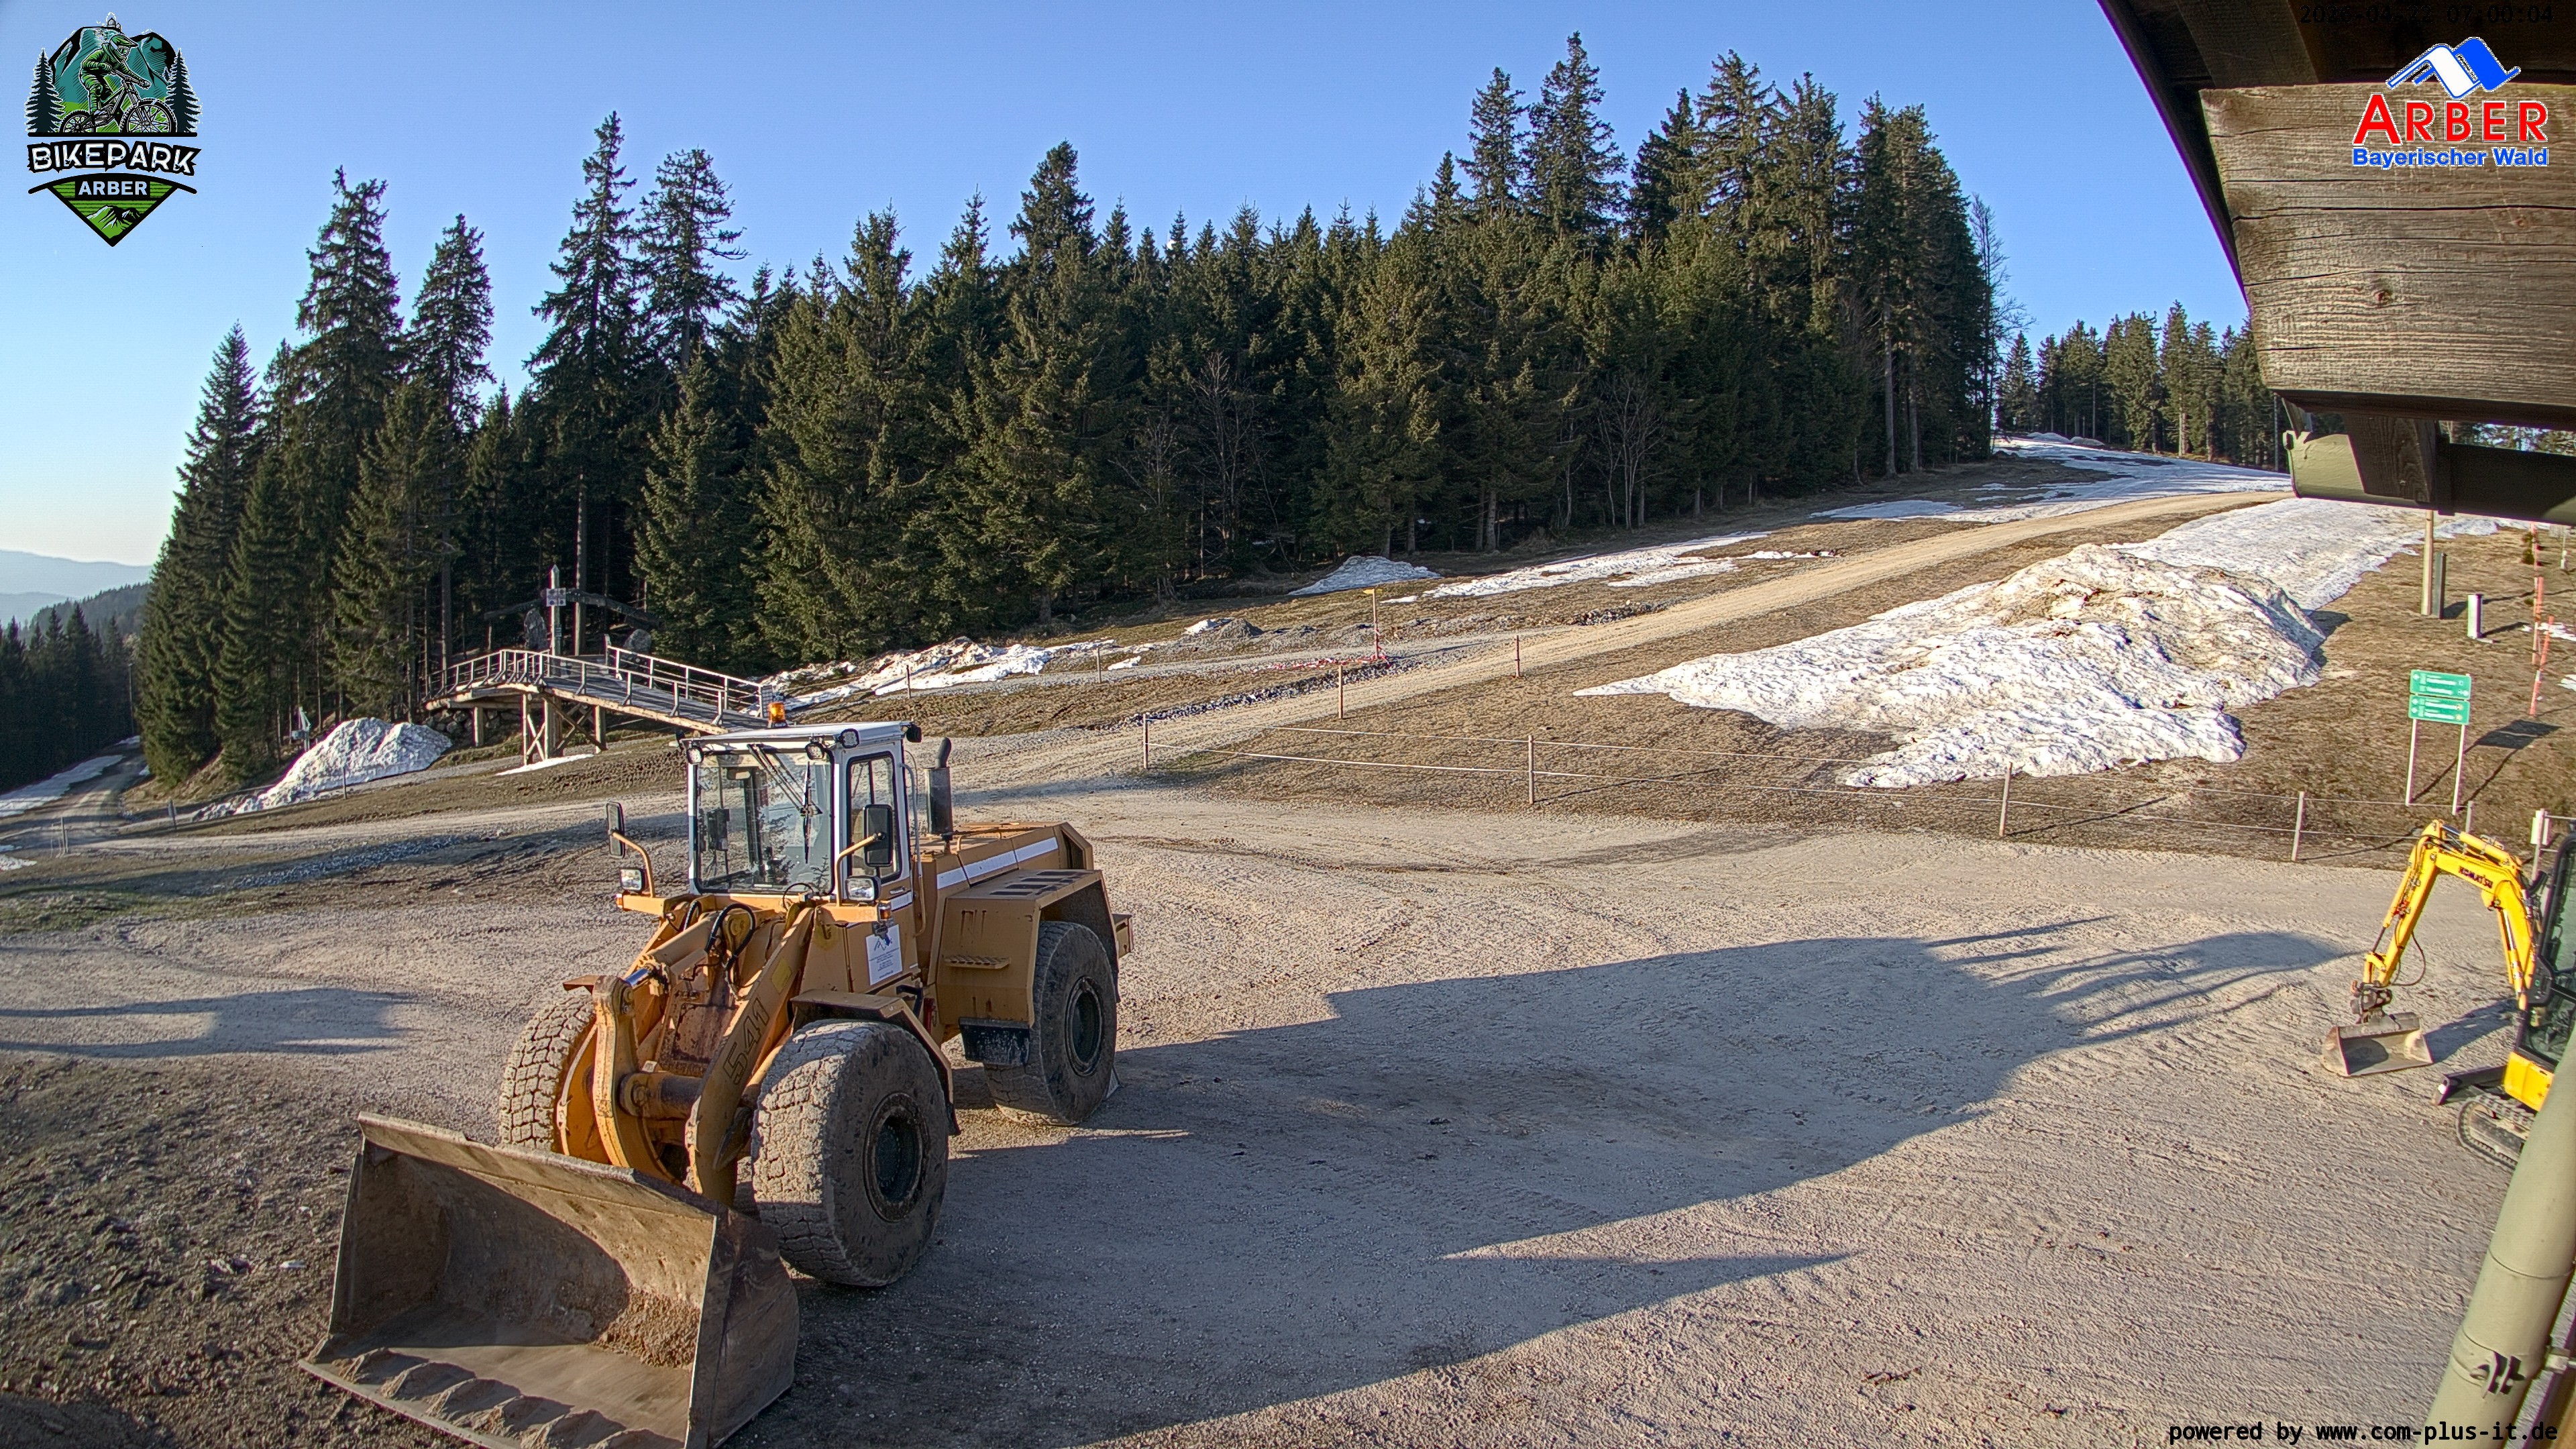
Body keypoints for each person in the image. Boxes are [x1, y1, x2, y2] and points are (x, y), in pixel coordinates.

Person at [76, 17, 147, 126]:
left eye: (127, 51)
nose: (125, 54)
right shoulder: (102, 53)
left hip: (99, 77)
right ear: (114, 48)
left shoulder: (119, 62)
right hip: (87, 74)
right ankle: (94, 112)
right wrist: (102, 65)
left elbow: (128, 72)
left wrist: (141, 81)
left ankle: (123, 128)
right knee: (97, 87)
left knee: (113, 104)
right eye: (122, 50)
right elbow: (85, 64)